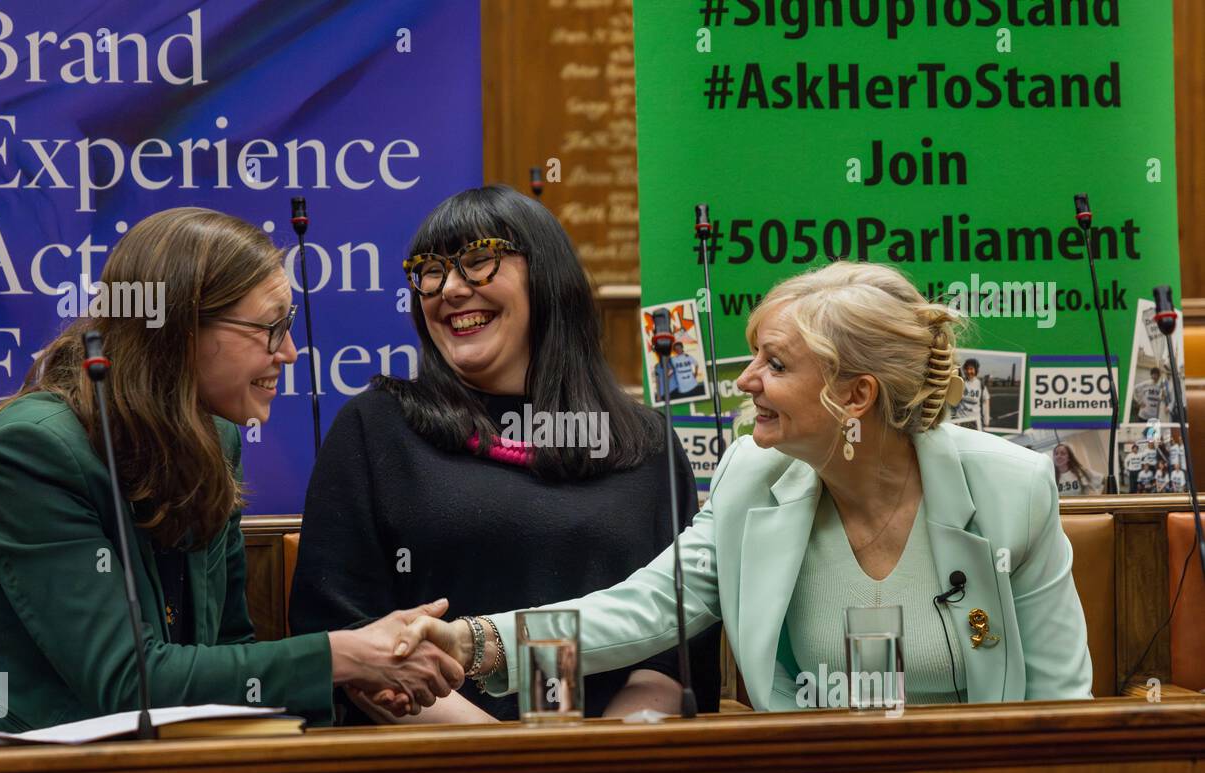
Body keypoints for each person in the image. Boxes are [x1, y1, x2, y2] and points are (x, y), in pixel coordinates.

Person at [393, 261, 1093, 711]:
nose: (746, 379)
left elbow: (1063, 703)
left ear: (856, 395)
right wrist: (475, 641)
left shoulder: (1011, 489)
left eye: (775, 363)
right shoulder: (752, 478)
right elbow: (641, 610)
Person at [0, 208, 462, 743]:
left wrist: (359, 678)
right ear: (178, 330)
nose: (290, 353)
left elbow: (227, 650)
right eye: (271, 329)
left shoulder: (215, 437)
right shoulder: (32, 448)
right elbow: (130, 681)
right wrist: (342, 655)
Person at [288, 185, 720, 724]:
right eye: (430, 271)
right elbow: (341, 635)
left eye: (477, 262)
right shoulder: (376, 428)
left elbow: (678, 650)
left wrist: (600, 762)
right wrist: (509, 763)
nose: (448, 288)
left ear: (546, 278)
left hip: (618, 770)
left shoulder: (646, 441)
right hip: (439, 767)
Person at [951, 357, 990, 429]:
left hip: (975, 422)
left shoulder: (981, 385)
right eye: (967, 369)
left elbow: (986, 403)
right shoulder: (961, 382)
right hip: (960, 420)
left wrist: (986, 421)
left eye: (971, 369)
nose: (969, 371)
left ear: (976, 370)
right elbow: (953, 401)